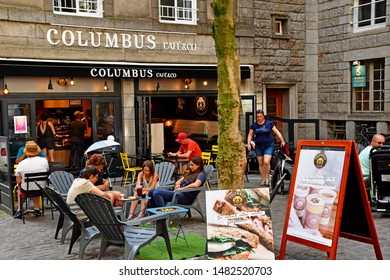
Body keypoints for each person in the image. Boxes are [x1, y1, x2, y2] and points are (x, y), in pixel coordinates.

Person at [247, 109, 285, 186]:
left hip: (268, 145)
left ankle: (267, 179)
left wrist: (282, 140)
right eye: (258, 117)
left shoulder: (269, 123)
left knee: (266, 162)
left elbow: (276, 131)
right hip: (259, 146)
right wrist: (248, 144)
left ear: (263, 116)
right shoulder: (254, 125)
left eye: (260, 116)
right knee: (260, 163)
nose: (259, 118)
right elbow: (250, 134)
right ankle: (263, 179)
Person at [13, 141, 49, 219]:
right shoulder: (44, 161)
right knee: (36, 183)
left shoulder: (21, 164)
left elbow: (18, 181)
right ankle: (36, 208)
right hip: (41, 189)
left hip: (26, 190)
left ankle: (19, 209)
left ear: (26, 151)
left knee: (20, 187)